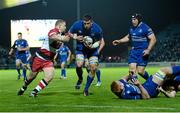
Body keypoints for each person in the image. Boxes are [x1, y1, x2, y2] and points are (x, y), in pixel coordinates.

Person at [17, 19, 70, 97]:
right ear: (59, 26)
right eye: (64, 26)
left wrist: (75, 37)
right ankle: (23, 87)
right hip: (39, 58)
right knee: (31, 77)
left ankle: (34, 92)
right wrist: (62, 38)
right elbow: (52, 36)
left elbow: (68, 37)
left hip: (48, 60)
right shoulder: (53, 31)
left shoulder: (63, 33)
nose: (65, 27)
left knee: (50, 76)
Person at [112, 13, 156, 80]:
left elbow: (153, 39)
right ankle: (135, 88)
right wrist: (119, 41)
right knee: (132, 72)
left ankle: (150, 81)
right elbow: (129, 37)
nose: (133, 21)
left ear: (139, 20)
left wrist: (148, 50)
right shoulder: (131, 28)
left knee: (140, 72)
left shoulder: (145, 27)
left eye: (134, 19)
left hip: (143, 52)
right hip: (134, 51)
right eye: (132, 19)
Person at [69, 14, 103, 96]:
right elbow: (69, 32)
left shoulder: (97, 29)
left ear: (91, 22)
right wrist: (75, 37)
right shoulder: (77, 24)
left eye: (88, 23)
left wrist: (93, 46)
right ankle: (80, 79)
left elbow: (100, 41)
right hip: (80, 49)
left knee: (93, 68)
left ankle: (86, 89)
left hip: (92, 51)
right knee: (79, 65)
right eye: (84, 23)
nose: (86, 25)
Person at [111, 66, 180, 99]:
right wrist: (139, 85)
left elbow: (124, 78)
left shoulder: (120, 85)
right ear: (121, 87)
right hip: (150, 90)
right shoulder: (127, 95)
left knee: (171, 78)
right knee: (163, 71)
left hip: (146, 85)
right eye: (120, 83)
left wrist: (131, 74)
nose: (121, 82)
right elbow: (147, 97)